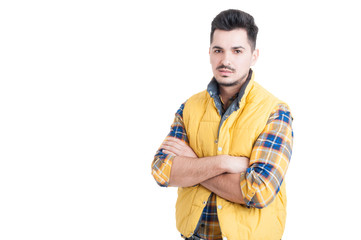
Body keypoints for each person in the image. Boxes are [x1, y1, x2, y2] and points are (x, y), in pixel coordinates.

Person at [151, 9, 293, 240]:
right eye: (218, 50)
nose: (225, 60)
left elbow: (259, 191)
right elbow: (161, 170)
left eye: (237, 51)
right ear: (209, 53)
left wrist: (193, 166)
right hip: (194, 235)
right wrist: (226, 163)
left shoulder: (275, 111)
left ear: (254, 56)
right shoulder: (189, 107)